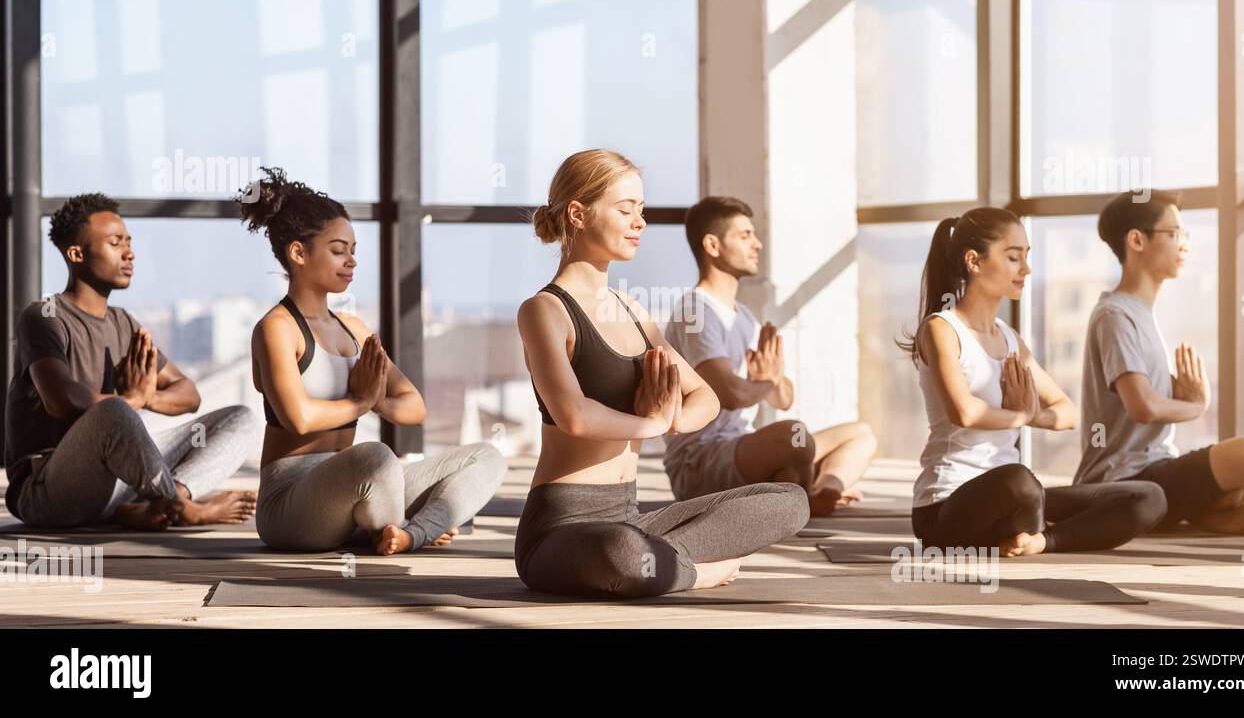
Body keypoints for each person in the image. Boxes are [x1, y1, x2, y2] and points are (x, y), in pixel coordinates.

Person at [514, 150, 809, 597]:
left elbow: (705, 398)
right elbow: (574, 415)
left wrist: (672, 418)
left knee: (790, 502)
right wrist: (652, 423)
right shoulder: (545, 311)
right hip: (561, 528)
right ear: (577, 213)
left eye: (642, 211)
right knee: (621, 552)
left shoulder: (632, 310)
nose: (640, 223)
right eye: (625, 209)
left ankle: (662, 561)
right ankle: (690, 570)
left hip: (632, 517)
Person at [242, 167, 506, 555]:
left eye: (353, 251)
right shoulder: (276, 328)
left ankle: (408, 533)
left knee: (487, 457)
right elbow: (298, 417)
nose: (351, 261)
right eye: (337, 250)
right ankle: (397, 526)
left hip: (353, 490)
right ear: (298, 253)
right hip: (290, 503)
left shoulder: (354, 328)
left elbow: (413, 408)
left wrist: (375, 398)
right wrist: (362, 402)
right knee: (377, 457)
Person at [900, 207, 1167, 556]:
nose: (1025, 269)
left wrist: (1031, 414)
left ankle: (1039, 540)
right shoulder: (940, 329)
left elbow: (1067, 413)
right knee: (1020, 481)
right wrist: (1022, 416)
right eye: (1013, 258)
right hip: (946, 506)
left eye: (1026, 257)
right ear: (974, 262)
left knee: (1147, 496)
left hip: (1013, 496)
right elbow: (963, 412)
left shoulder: (1010, 339)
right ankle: (1029, 524)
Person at [4, 193, 259, 530]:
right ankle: (179, 508)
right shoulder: (44, 316)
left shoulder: (123, 322)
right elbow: (61, 400)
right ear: (77, 254)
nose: (129, 252)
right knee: (115, 412)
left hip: (108, 483)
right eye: (115, 242)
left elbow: (189, 394)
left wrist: (148, 396)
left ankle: (166, 501)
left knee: (241, 419)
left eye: (128, 241)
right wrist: (132, 400)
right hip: (45, 488)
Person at [1074, 189, 1244, 534]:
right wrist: (1196, 405)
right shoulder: (1115, 314)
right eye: (1174, 234)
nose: (1185, 245)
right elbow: (1142, 406)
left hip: (1160, 465)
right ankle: (1209, 514)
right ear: (1136, 240)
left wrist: (1175, 395)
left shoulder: (1143, 313)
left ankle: (1219, 514)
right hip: (1125, 478)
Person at [663, 196, 877, 515]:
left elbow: (783, 398)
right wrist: (764, 383)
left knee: (861, 434)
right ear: (712, 245)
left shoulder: (744, 317)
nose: (757, 244)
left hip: (740, 450)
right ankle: (800, 489)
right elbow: (731, 394)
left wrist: (771, 380)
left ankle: (823, 491)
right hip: (699, 462)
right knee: (796, 438)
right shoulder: (696, 310)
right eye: (745, 235)